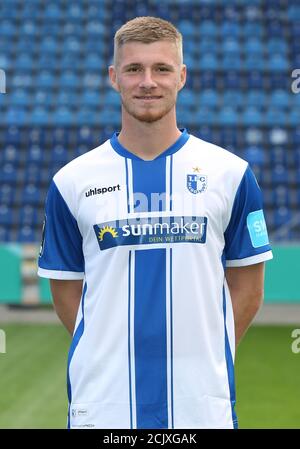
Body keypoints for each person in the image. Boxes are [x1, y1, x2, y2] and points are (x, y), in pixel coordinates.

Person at [38, 16, 273, 429]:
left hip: (200, 406)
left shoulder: (231, 174)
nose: (148, 81)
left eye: (161, 68)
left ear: (181, 76)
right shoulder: (72, 181)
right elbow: (66, 295)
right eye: (134, 69)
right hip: (104, 405)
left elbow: (249, 289)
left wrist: (202, 351)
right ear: (114, 77)